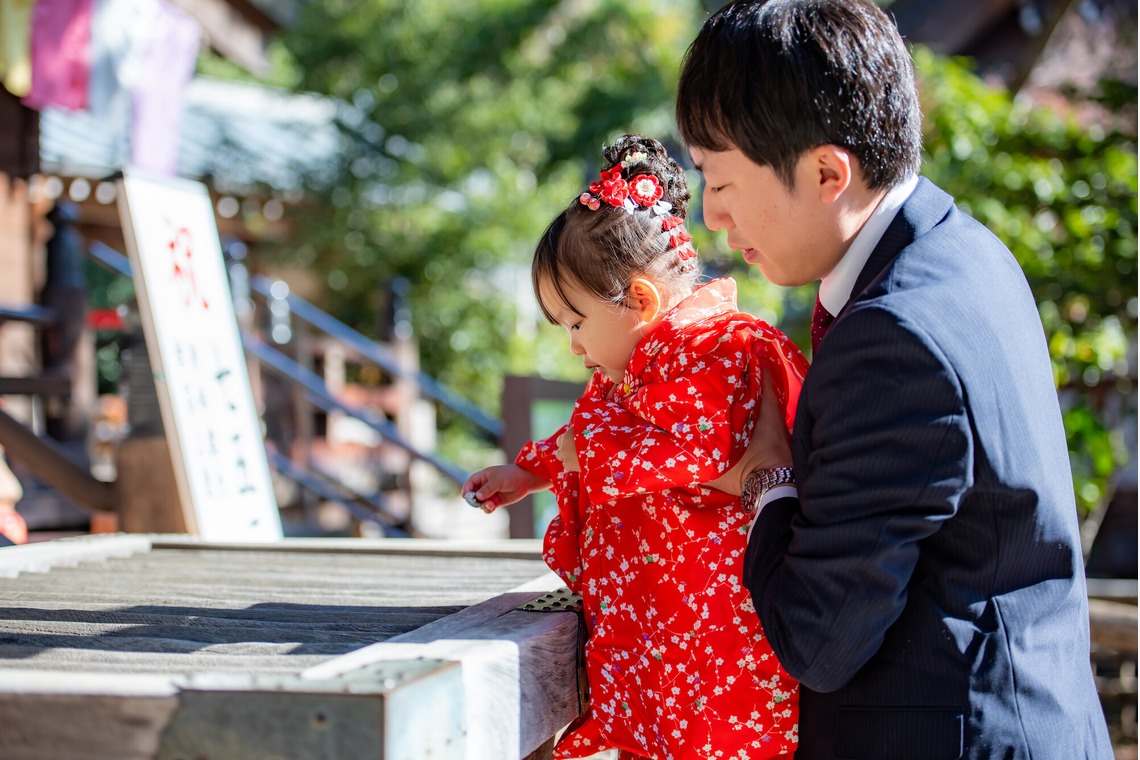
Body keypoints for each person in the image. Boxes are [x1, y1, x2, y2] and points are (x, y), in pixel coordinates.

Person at [674, 1, 1114, 758]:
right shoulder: (962, 249)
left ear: (824, 172)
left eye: (719, 180)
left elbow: (819, 640)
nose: (711, 216)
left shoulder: (892, 335)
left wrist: (766, 476)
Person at [462, 134, 808, 759]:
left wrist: (581, 452)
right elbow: (584, 437)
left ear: (640, 302)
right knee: (647, 733)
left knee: (712, 740)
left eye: (575, 322)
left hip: (713, 621)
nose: (572, 344)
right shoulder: (632, 370)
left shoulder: (721, 348)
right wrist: (528, 473)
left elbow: (700, 449)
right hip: (655, 610)